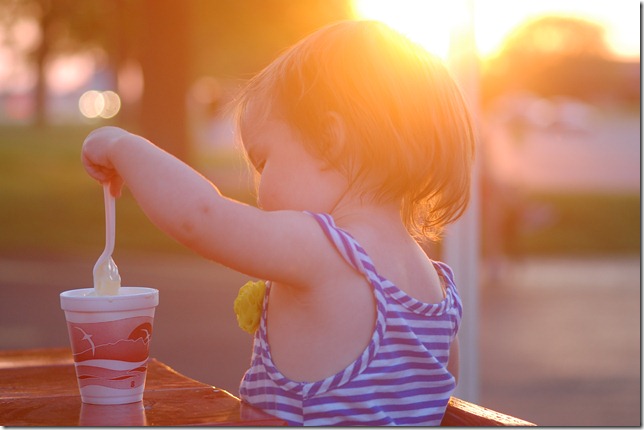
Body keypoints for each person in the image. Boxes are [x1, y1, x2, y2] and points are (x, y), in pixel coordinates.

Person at [81, 19, 475, 426]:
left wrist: (120, 145)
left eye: (263, 161)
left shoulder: (324, 250)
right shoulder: (437, 290)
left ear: (330, 141)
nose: (258, 188)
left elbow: (201, 216)